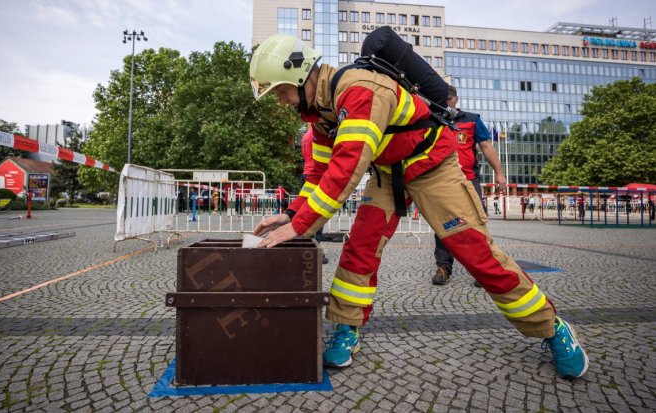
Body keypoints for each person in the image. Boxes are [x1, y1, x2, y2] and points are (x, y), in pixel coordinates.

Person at [249, 33, 588, 380]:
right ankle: (347, 328)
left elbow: (346, 169)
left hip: (432, 167)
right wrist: (290, 215)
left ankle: (551, 326)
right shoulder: (321, 114)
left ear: (300, 76)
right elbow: (320, 173)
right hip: (387, 174)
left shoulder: (360, 89)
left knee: (475, 254)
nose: (280, 102)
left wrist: (300, 226)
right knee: (360, 248)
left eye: (280, 92)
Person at [431, 85, 507, 286]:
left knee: (476, 224)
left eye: (448, 99)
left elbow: (486, 146)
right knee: (443, 224)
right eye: (441, 99)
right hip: (441, 181)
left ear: (456, 99)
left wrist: (499, 174)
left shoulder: (472, 120)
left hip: (468, 180)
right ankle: (443, 267)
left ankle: (482, 269)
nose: (445, 103)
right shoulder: (433, 118)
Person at [302, 126, 329, 264]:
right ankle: (315, 248)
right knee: (318, 213)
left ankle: (307, 245)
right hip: (316, 175)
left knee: (307, 211)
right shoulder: (317, 134)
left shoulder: (305, 136)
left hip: (306, 173)